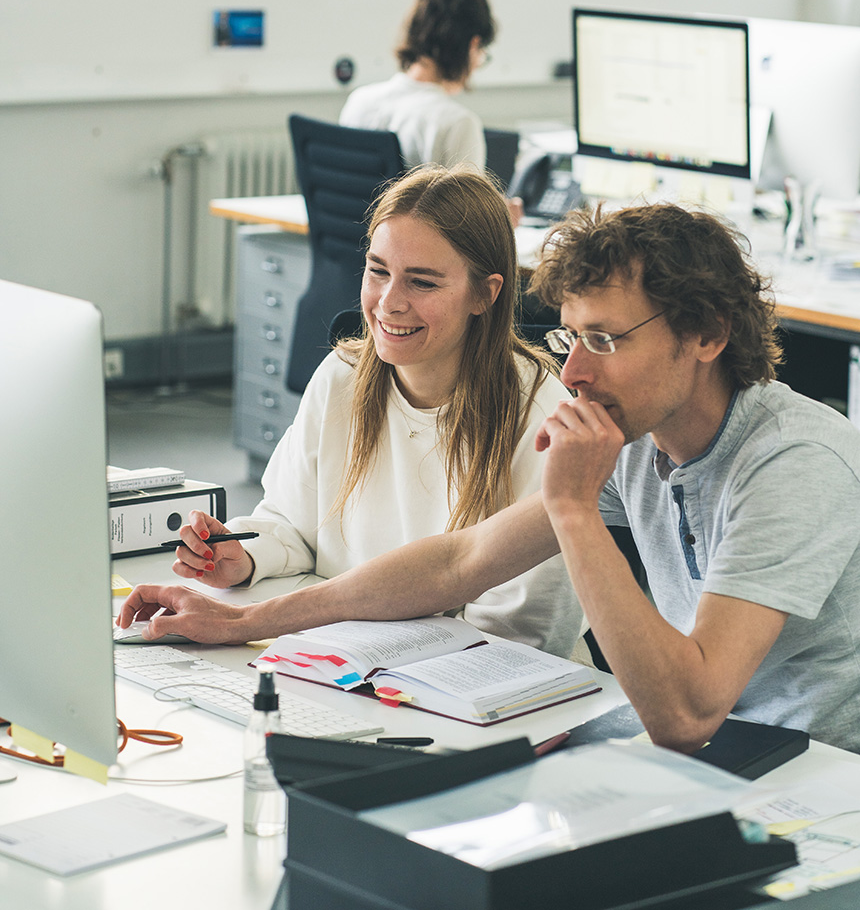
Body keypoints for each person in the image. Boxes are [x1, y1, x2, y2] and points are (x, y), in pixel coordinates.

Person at [121, 202, 860, 754]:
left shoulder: (796, 461)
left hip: (807, 771)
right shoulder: (637, 430)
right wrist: (245, 621)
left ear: (706, 335)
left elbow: (690, 711)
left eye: (604, 340)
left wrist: (572, 510)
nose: (572, 371)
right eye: (573, 337)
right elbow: (460, 561)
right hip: (706, 748)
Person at [135, 166, 581, 657]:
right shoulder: (342, 375)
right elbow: (291, 523)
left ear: (485, 294)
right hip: (339, 655)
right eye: (378, 271)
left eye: (423, 283)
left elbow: (519, 633)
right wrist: (246, 556)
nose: (389, 303)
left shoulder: (541, 415)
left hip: (454, 682)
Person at [339, 0, 494, 171]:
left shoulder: (359, 101)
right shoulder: (458, 124)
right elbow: (468, 206)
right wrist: (499, 205)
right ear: (472, 45)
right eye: (481, 52)